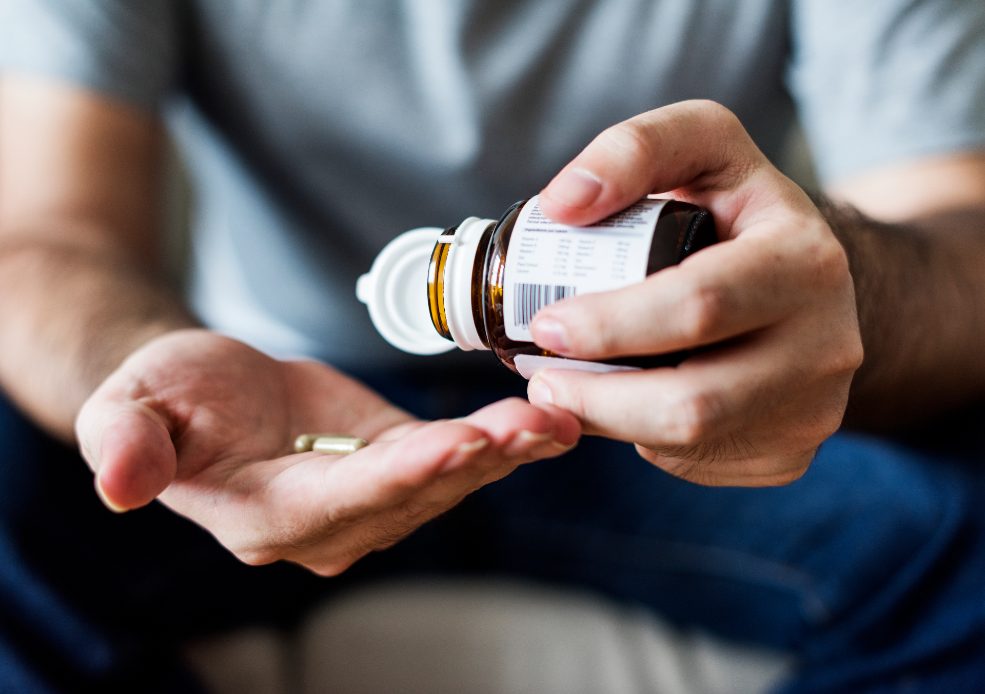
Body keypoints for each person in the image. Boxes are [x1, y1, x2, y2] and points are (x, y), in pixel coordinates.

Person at [1, 1, 983, 691]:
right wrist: (147, 379)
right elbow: (46, 238)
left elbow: (958, 246)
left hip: (652, 420)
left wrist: (835, 288)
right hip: (275, 410)